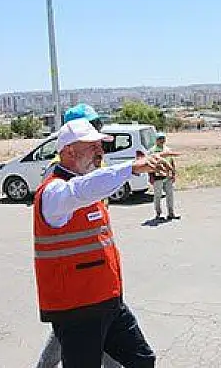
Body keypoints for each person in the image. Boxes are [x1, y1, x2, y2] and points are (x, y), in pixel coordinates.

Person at [33, 118, 175, 368]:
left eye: (100, 145)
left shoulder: (87, 184)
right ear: (68, 151)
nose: (100, 152)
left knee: (142, 359)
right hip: (78, 310)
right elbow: (81, 190)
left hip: (108, 302)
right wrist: (131, 167)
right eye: (92, 146)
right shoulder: (54, 192)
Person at [149, 132, 180, 221]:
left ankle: (171, 213)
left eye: (163, 138)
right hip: (157, 176)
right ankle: (158, 214)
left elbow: (171, 162)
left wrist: (173, 174)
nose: (162, 140)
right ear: (156, 140)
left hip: (168, 176)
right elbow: (150, 164)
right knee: (157, 196)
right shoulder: (152, 150)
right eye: (160, 139)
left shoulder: (167, 149)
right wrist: (150, 176)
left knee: (170, 195)